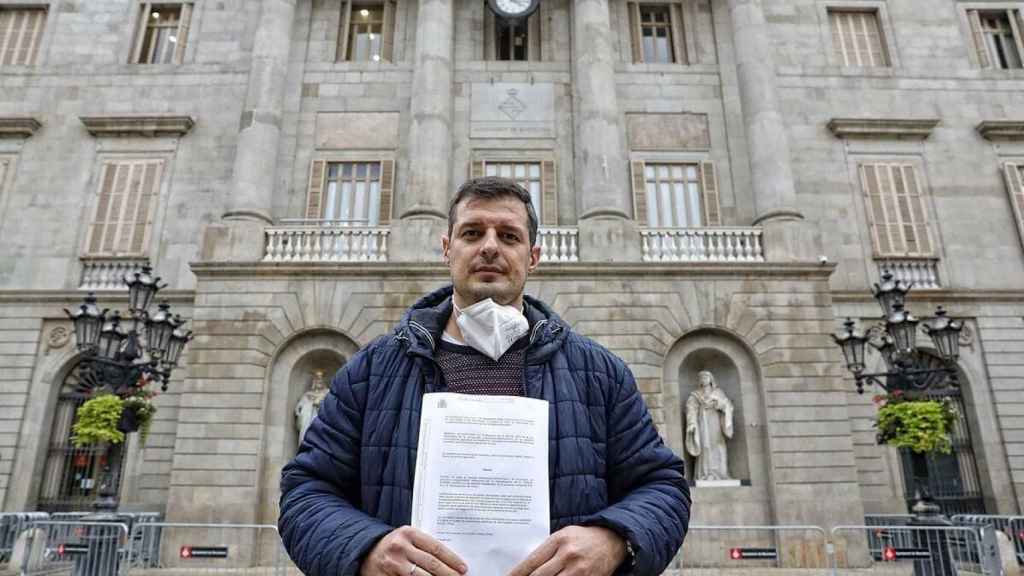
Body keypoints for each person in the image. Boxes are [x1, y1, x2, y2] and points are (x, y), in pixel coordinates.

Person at [278, 177, 691, 576]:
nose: (490, 247)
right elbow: (305, 490)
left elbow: (662, 486)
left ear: (533, 256)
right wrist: (365, 548)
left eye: (509, 236)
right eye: (472, 233)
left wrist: (614, 542)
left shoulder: (598, 372)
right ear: (447, 249)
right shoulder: (371, 371)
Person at [684, 370, 735, 481]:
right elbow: (691, 409)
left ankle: (720, 473)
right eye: (701, 377)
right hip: (703, 422)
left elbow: (728, 405)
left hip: (715, 421)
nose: (703, 379)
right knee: (705, 445)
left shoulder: (718, 392)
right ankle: (705, 473)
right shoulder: (695, 395)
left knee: (717, 444)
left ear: (711, 379)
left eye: (706, 377)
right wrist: (691, 423)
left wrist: (717, 403)